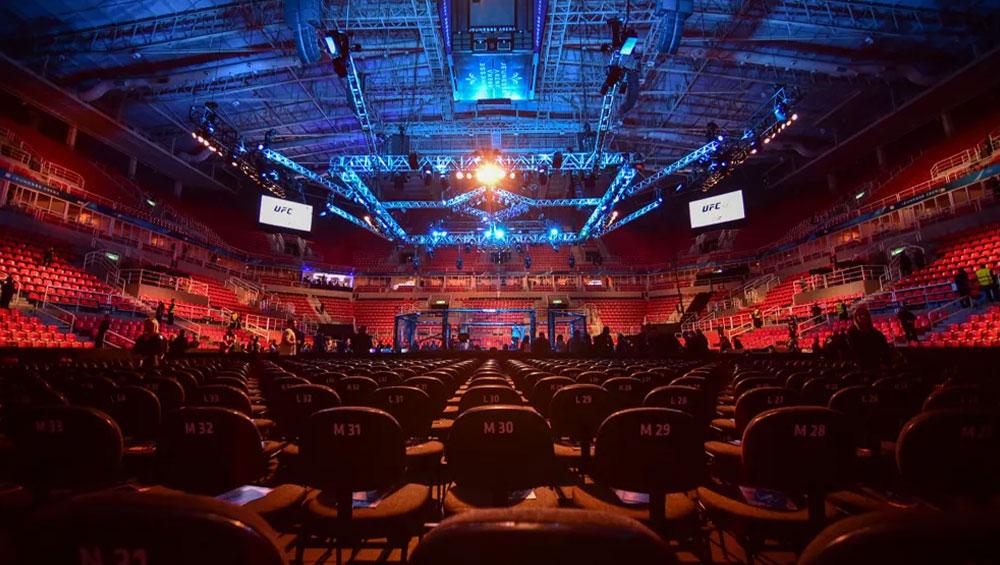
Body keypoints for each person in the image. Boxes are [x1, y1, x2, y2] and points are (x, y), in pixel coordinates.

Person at [847, 306, 891, 370]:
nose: (861, 317)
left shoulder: (875, 333)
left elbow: (884, 348)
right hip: (862, 365)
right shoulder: (852, 332)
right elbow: (855, 350)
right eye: (858, 315)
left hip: (877, 363)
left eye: (863, 314)